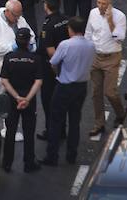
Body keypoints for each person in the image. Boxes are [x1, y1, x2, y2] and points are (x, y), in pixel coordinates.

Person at [42, 16, 95, 167]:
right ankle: (72, 155)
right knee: (74, 121)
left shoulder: (65, 45)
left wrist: (58, 74)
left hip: (65, 86)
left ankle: (52, 156)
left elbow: (53, 63)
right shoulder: (91, 45)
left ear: (70, 29)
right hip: (81, 86)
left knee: (55, 120)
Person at [0, 28, 43, 173]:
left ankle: (7, 163)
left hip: (12, 99)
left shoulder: (8, 57)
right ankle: (29, 163)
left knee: (10, 131)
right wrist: (27, 99)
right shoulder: (35, 59)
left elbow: (4, 80)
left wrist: (17, 97)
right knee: (29, 131)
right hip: (29, 100)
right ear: (29, 42)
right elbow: (38, 81)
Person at [85, 0, 127, 137]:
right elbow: (89, 34)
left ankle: (121, 112)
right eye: (99, 3)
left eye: (104, 4)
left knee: (110, 92)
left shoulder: (120, 16)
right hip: (96, 57)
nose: (101, 6)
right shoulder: (93, 13)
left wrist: (110, 21)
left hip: (112, 57)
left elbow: (119, 38)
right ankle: (99, 123)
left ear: (110, 4)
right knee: (96, 93)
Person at [36, 0, 69, 141]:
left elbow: (50, 51)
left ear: (47, 5)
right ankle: (62, 129)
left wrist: (56, 69)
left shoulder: (48, 26)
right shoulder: (65, 19)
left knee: (49, 100)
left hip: (51, 70)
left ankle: (52, 131)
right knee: (62, 101)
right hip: (67, 64)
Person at [0, 0, 34, 72]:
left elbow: (31, 36)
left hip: (24, 61)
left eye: (19, 15)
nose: (17, 19)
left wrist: (31, 45)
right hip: (4, 65)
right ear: (7, 11)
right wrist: (12, 48)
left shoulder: (21, 19)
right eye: (15, 16)